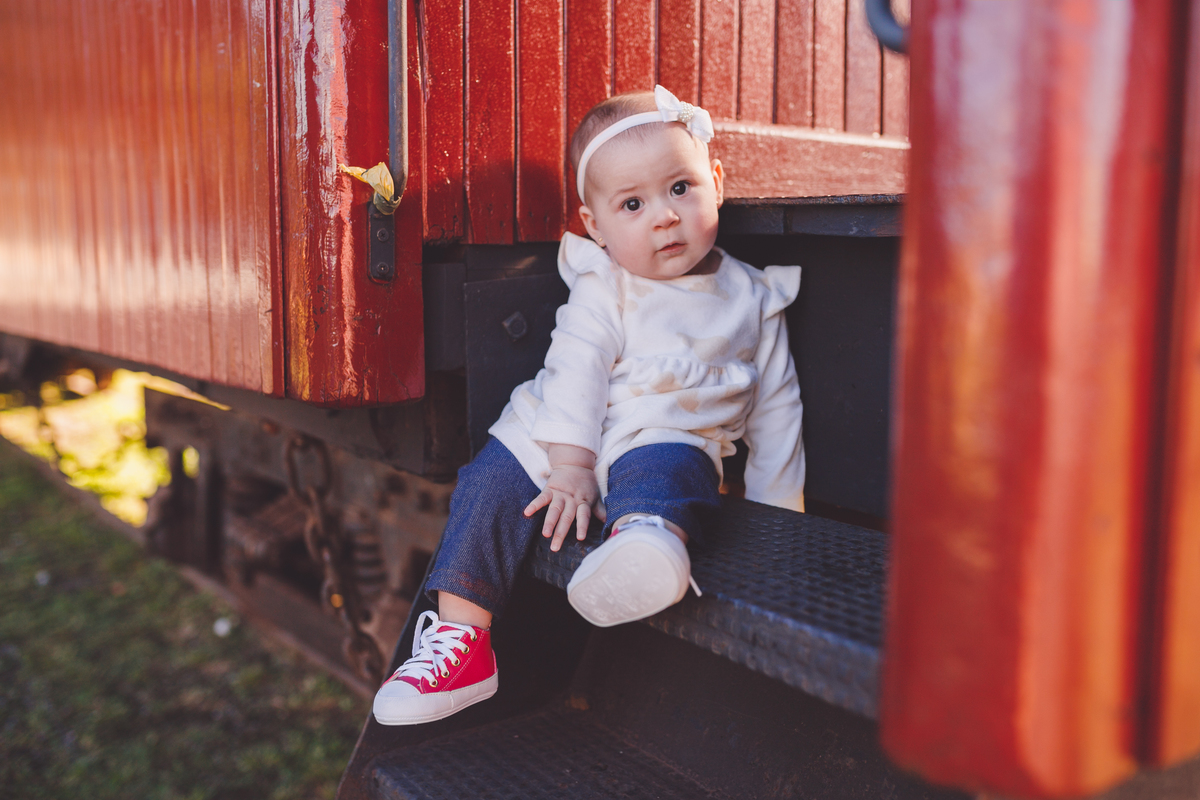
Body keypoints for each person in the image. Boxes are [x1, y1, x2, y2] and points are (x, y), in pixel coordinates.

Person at [373, 86, 805, 726]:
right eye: (633, 204)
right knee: (488, 484)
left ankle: (644, 541)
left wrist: (780, 521)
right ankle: (464, 641)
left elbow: (778, 410)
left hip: (661, 431)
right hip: (558, 434)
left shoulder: (754, 297)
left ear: (716, 180)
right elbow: (574, 369)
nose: (664, 216)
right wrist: (570, 464)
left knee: (671, 468)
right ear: (597, 227)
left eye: (680, 189)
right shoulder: (606, 283)